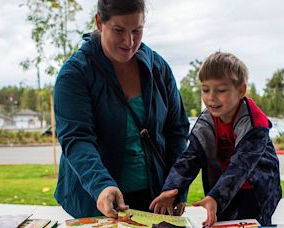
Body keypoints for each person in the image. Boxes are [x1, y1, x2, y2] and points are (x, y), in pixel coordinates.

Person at [53, 0, 189, 219]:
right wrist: (101, 186)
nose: (129, 41)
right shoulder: (74, 74)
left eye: (137, 30)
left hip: (154, 200)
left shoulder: (158, 67)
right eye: (119, 30)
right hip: (97, 201)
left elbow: (177, 130)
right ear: (99, 22)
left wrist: (176, 186)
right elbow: (77, 139)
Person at [149, 52, 282, 226]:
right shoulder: (207, 121)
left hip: (256, 193)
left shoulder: (254, 124)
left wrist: (216, 197)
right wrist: (172, 189)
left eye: (220, 90)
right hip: (224, 189)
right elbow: (190, 158)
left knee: (250, 224)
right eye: (205, 90)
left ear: (241, 90)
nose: (211, 97)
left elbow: (241, 167)